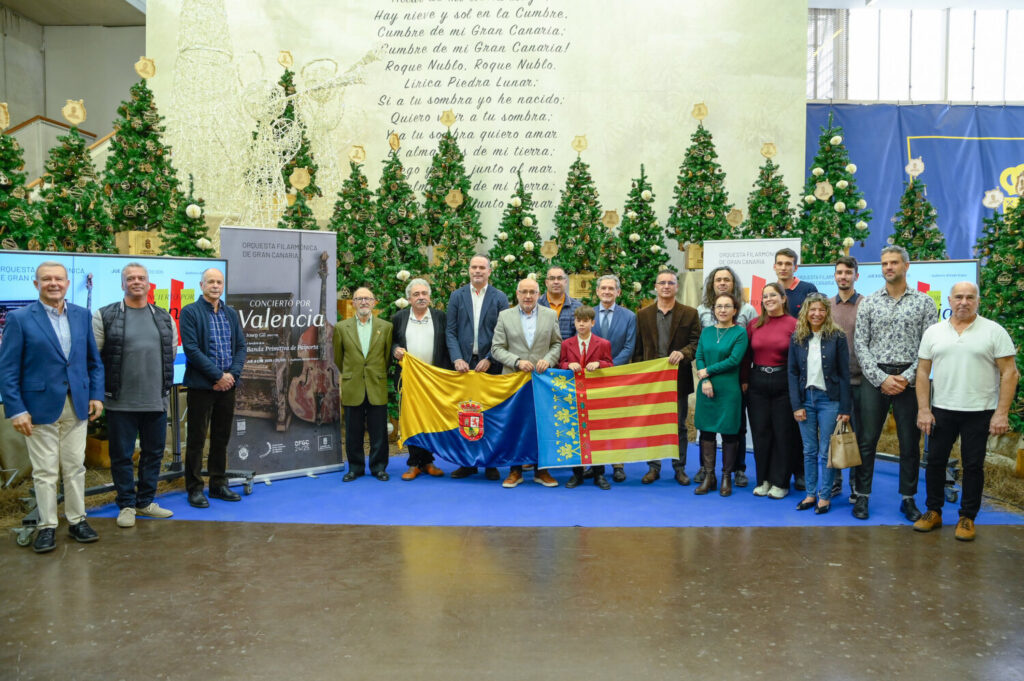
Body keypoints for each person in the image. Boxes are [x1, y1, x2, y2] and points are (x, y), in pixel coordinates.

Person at [0, 261, 103, 553]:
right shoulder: (20, 319)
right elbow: (7, 370)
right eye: (46, 279)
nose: (53, 283)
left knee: (75, 467)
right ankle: (47, 526)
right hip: (38, 408)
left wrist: (96, 394)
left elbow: (93, 362)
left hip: (77, 405)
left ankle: (77, 520)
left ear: (68, 283)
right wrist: (16, 409)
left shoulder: (82, 316)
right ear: (36, 285)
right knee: (45, 471)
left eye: (59, 278)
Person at [914, 282, 1018, 541]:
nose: (963, 302)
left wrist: (1001, 413)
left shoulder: (994, 331)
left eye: (969, 297)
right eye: (958, 297)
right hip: (941, 410)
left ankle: (967, 517)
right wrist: (924, 409)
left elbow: (1010, 373)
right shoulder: (934, 332)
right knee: (935, 462)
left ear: (977, 301)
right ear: (949, 300)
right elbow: (923, 372)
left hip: (979, 410)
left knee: (973, 465)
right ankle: (933, 511)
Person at [853, 245, 937, 521]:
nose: (888, 267)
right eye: (884, 263)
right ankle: (862, 496)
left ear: (906, 266)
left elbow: (930, 347)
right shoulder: (869, 302)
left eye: (894, 263)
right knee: (867, 440)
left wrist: (908, 376)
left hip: (910, 382)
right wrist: (881, 378)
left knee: (909, 443)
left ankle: (908, 498)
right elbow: (860, 345)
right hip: (875, 379)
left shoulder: (924, 303)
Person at [93, 263, 176, 528]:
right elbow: (95, 356)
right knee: (122, 456)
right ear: (122, 284)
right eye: (130, 278)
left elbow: (170, 354)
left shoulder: (164, 317)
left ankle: (145, 502)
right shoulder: (105, 316)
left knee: (153, 453)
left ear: (149, 283)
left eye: (141, 277)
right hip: (120, 401)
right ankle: (127, 504)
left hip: (156, 399)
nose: (136, 281)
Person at [180, 267, 247, 508]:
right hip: (201, 386)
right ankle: (195, 488)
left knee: (221, 438)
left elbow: (241, 347)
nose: (215, 285)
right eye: (210, 282)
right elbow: (192, 350)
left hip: (228, 386)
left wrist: (232, 375)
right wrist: (218, 376)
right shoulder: (190, 312)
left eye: (219, 282)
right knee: (196, 439)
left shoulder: (230, 313)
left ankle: (218, 484)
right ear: (201, 285)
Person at [490, 277, 562, 488]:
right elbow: (496, 348)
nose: (528, 296)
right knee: (514, 424)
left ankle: (542, 470)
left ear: (539, 294)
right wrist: (517, 361)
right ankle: (515, 470)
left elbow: (557, 344)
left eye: (532, 292)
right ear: (517, 294)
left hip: (542, 381)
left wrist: (548, 360)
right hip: (513, 380)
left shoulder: (549, 315)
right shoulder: (505, 316)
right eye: (524, 292)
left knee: (542, 424)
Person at [634, 270, 701, 485]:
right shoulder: (643, 315)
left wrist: (683, 353)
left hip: (678, 379)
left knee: (679, 425)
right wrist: (639, 378)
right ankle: (653, 467)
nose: (666, 286)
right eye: (661, 283)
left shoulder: (689, 314)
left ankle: (679, 467)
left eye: (670, 283)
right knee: (653, 424)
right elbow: (638, 350)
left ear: (676, 287)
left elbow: (696, 344)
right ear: (655, 287)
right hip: (651, 382)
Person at [445, 255, 508, 480]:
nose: (478, 271)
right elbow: (450, 331)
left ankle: (490, 463)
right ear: (468, 270)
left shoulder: (500, 298)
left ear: (489, 271)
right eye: (474, 267)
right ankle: (467, 463)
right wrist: (456, 358)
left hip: (489, 366)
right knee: (464, 413)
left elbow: (503, 333)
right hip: (464, 366)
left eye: (482, 267)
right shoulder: (457, 296)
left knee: (489, 414)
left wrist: (491, 357)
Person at [788, 294, 852, 514]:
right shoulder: (797, 337)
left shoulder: (838, 336)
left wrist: (845, 408)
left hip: (830, 401)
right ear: (806, 311)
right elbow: (792, 372)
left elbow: (845, 374)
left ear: (827, 312)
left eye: (821, 310)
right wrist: (796, 404)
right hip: (806, 399)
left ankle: (824, 496)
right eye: (812, 309)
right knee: (809, 450)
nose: (817, 314)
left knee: (826, 452)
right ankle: (810, 494)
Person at [695, 265, 758, 488]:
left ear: (735, 310)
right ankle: (709, 476)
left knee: (731, 433)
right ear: (713, 310)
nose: (722, 310)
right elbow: (700, 356)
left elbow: (734, 360)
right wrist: (705, 379)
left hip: (729, 390)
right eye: (719, 306)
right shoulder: (706, 331)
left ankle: (726, 478)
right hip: (706, 389)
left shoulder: (740, 332)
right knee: (707, 432)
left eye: (727, 306)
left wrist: (707, 372)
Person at [392, 278, 451, 481]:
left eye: (424, 294)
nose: (421, 297)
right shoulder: (399, 318)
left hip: (434, 379)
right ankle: (414, 464)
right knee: (412, 420)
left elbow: (448, 344)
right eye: (416, 294)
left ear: (430, 297)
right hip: (410, 379)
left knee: (430, 420)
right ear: (408, 299)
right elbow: (391, 343)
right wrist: (395, 351)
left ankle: (428, 462)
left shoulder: (441, 317)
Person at [744, 282, 798, 499]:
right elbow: (746, 355)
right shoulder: (754, 324)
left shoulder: (794, 324)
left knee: (783, 433)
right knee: (760, 432)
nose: (768, 299)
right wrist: (744, 380)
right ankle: (764, 479)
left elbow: (798, 360)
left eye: (773, 295)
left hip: (783, 381)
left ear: (783, 298)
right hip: (757, 382)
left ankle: (780, 482)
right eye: (765, 296)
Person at [334, 286, 393, 482]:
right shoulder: (341, 328)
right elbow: (338, 358)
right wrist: (352, 374)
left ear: (374, 302)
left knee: (379, 431)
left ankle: (378, 467)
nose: (364, 302)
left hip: (376, 383)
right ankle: (355, 468)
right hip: (353, 385)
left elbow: (386, 358)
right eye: (359, 299)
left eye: (368, 298)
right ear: (353, 304)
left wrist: (374, 373)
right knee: (353, 430)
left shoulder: (385, 327)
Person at [559, 306, 614, 490]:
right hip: (574, 396)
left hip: (595, 396)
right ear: (574, 323)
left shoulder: (603, 343)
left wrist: (599, 363)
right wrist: (568, 365)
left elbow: (610, 364)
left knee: (597, 434)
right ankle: (577, 474)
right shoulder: (567, 344)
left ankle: (599, 473)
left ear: (592, 323)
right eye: (578, 321)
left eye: (585, 321)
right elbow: (561, 363)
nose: (581, 324)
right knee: (575, 433)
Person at [590, 274, 636, 482]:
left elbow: (629, 347)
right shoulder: (587, 314)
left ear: (618, 292)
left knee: (618, 421)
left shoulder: (629, 316)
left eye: (611, 288)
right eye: (603, 288)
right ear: (597, 291)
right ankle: (594, 463)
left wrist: (610, 367)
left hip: (618, 377)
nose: (607, 292)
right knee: (594, 422)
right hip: (592, 377)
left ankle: (618, 464)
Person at [830, 256, 864, 500]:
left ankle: (856, 484)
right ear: (835, 276)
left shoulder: (866, 304)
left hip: (861, 382)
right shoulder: (827, 306)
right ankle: (835, 482)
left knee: (860, 436)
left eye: (848, 272)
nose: (843, 276)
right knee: (834, 434)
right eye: (839, 272)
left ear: (856, 276)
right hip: (832, 383)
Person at [539, 265, 582, 340]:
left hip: (568, 351)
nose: (556, 282)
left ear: (565, 282)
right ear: (546, 282)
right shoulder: (537, 305)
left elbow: (580, 335)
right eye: (552, 278)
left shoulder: (577, 307)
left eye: (559, 278)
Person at [773, 247, 819, 319]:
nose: (783, 268)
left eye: (788, 264)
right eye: (780, 264)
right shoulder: (770, 291)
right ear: (774, 267)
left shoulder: (809, 289)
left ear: (796, 268)